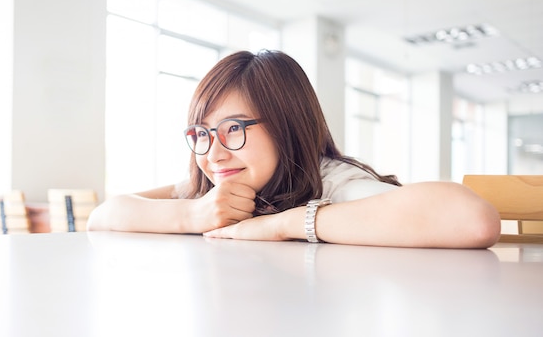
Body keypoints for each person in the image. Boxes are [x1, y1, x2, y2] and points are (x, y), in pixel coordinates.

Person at [88, 50, 500, 248]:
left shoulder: (332, 181)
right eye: (202, 133)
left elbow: (472, 219)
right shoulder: (216, 185)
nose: (213, 153)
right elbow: (102, 217)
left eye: (234, 129)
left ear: (286, 126)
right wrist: (192, 213)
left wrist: (282, 224)